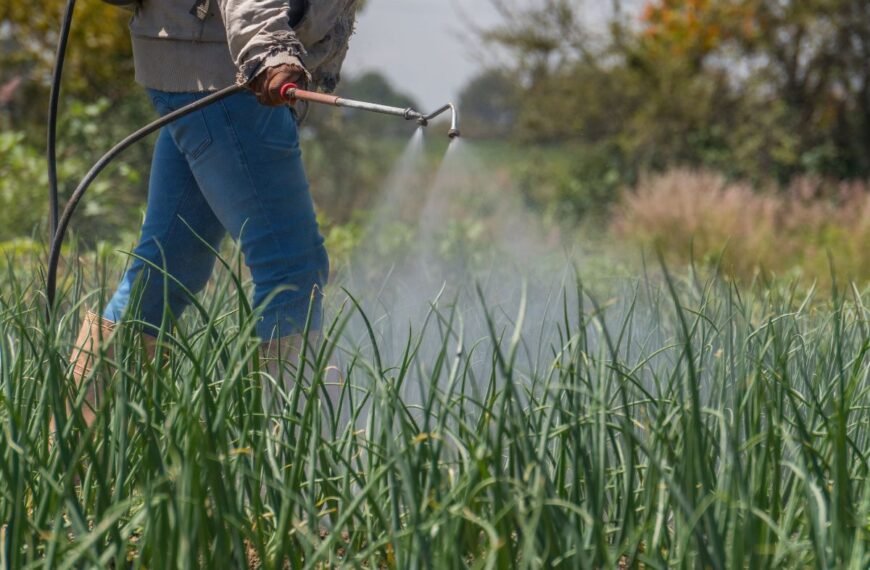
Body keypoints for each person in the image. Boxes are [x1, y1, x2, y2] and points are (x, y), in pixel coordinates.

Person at [70, 0, 357, 422]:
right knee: (293, 271)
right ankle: (301, 465)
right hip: (229, 72)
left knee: (166, 269)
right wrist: (270, 52)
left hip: (197, 60)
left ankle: (77, 458)